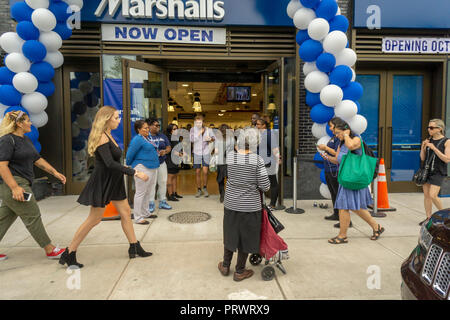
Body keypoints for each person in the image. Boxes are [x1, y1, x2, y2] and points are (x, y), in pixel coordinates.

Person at [59, 106, 152, 268]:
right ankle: (69, 252)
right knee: (94, 219)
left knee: (125, 212)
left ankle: (134, 246)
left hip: (114, 181)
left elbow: (114, 163)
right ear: (106, 119)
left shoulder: (109, 135)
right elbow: (109, 164)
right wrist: (135, 172)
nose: (119, 120)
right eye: (116, 117)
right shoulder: (102, 137)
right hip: (103, 181)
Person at [0, 111, 66, 262]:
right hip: (14, 183)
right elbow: (2, 166)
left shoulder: (25, 139)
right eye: (28, 121)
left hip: (22, 181)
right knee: (32, 215)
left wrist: (55, 172)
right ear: (19, 123)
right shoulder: (7, 140)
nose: (31, 123)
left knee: (3, 218)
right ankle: (50, 250)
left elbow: (37, 159)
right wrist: (15, 187)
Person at [218, 128, 270, 281]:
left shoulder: (231, 157)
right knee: (246, 237)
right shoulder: (257, 160)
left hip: (231, 203)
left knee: (230, 233)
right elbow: (265, 186)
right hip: (250, 206)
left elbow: (230, 176)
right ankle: (240, 271)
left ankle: (226, 265)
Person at [325, 119, 384, 244]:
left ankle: (342, 236)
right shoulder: (341, 143)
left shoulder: (356, 139)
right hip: (346, 179)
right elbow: (338, 160)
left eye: (337, 133)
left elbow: (351, 146)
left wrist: (346, 134)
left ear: (344, 130)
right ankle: (376, 227)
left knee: (344, 207)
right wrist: (326, 156)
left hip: (354, 179)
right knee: (356, 208)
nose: (336, 135)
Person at [318, 118, 353, 228]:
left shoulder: (341, 138)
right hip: (329, 168)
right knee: (334, 193)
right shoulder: (335, 137)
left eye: (331, 126)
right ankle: (337, 214)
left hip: (335, 169)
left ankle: (346, 220)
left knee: (339, 195)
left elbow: (338, 155)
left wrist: (326, 148)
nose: (330, 128)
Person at [126, 120, 160, 225]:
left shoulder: (146, 138)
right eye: (145, 128)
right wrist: (132, 168)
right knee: (140, 193)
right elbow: (129, 155)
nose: (147, 129)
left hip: (152, 168)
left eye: (147, 127)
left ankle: (146, 213)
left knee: (148, 192)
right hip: (142, 168)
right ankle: (138, 217)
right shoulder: (137, 139)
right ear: (138, 130)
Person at [420, 119, 450, 225]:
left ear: (440, 129)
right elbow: (422, 158)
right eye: (428, 127)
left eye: (432, 128)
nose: (429, 129)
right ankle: (428, 218)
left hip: (438, 171)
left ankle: (446, 216)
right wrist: (423, 147)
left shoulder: (446, 141)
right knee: (427, 195)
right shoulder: (429, 140)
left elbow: (447, 159)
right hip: (427, 171)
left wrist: (434, 148)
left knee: (433, 195)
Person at [146, 118, 172, 212]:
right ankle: (150, 202)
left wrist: (165, 151)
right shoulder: (146, 136)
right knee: (152, 183)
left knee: (163, 182)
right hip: (150, 164)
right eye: (156, 125)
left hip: (161, 162)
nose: (158, 127)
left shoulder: (162, 136)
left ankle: (162, 201)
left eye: (158, 126)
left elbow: (168, 147)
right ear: (149, 126)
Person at [256, 117, 281, 210]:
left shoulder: (269, 134)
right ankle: (261, 203)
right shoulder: (259, 135)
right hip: (260, 162)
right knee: (260, 182)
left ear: (264, 125)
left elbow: (274, 148)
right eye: (256, 124)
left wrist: (278, 158)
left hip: (269, 162)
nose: (256, 126)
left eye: (258, 124)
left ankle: (273, 204)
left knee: (273, 182)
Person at [190, 115, 215, 198]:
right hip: (197, 153)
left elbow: (214, 138)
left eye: (200, 122)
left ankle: (205, 188)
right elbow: (192, 140)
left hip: (206, 152)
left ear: (203, 122)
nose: (198, 124)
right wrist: (199, 133)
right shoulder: (192, 130)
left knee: (205, 171)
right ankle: (199, 189)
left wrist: (210, 139)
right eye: (196, 122)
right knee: (197, 171)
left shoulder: (208, 130)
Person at [215, 124, 234, 203]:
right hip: (230, 162)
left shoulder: (218, 139)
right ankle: (230, 196)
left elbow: (216, 151)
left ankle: (222, 196)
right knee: (230, 180)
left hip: (220, 162)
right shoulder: (232, 139)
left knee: (221, 180)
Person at [166, 123, 183, 201]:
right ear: (170, 130)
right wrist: (178, 153)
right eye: (174, 129)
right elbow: (169, 149)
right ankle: (170, 195)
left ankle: (175, 192)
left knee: (175, 176)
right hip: (170, 160)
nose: (176, 130)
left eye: (177, 129)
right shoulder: (168, 138)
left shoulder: (176, 138)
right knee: (170, 177)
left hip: (176, 160)